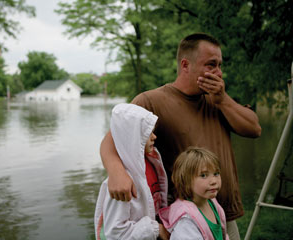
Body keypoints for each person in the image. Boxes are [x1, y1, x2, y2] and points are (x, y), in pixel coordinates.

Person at [100, 32, 262, 239]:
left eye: (220, 65)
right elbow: (111, 142)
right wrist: (116, 173)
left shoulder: (219, 100)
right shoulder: (152, 101)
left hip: (223, 215)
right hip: (185, 220)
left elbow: (254, 129)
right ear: (185, 65)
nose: (219, 73)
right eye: (211, 65)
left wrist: (222, 100)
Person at [94, 103, 170, 240]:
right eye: (148, 133)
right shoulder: (122, 183)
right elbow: (115, 233)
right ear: (133, 136)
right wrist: (156, 229)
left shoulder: (152, 163)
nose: (154, 137)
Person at [158, 147, 229, 240]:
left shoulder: (212, 202)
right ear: (185, 180)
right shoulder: (185, 219)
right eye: (203, 175)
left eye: (216, 174)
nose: (214, 181)